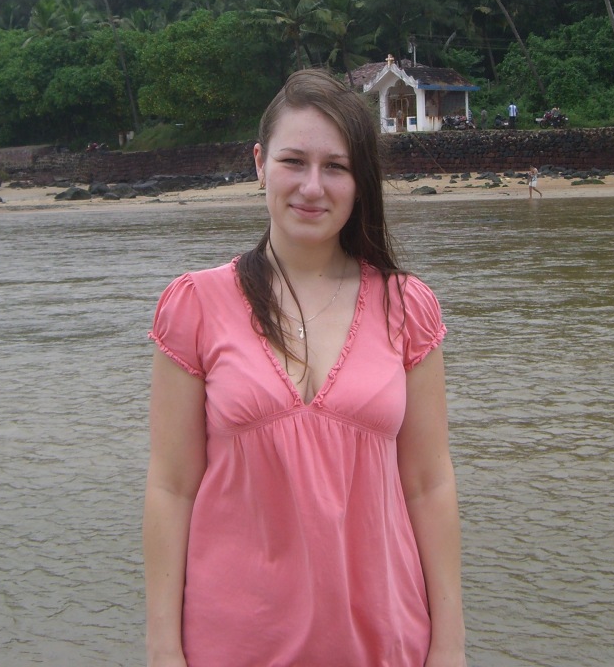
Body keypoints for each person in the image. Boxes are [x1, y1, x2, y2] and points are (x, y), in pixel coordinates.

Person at [144, 69, 467, 667]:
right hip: (232, 642)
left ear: (360, 181)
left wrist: (450, 644)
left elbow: (429, 484)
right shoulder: (195, 306)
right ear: (260, 164)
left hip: (385, 637)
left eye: (335, 167)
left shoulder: (407, 307)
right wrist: (163, 649)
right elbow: (171, 487)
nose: (312, 187)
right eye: (293, 161)